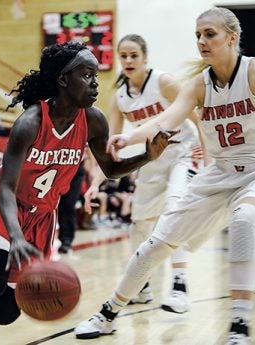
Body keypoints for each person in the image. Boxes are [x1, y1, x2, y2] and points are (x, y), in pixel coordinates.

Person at [0, 41, 178, 345]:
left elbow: (110, 169)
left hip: (41, 218)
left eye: (95, 75)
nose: (95, 83)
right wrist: (14, 235)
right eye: (86, 75)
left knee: (6, 312)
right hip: (4, 207)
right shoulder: (30, 122)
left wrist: (147, 156)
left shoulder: (93, 120)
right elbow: (8, 188)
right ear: (64, 79)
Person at [74, 7, 255, 344]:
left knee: (244, 220)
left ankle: (239, 326)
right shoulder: (198, 85)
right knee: (155, 243)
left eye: (209, 34)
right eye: (198, 35)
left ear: (232, 37)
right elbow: (166, 119)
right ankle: (109, 312)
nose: (201, 41)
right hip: (220, 175)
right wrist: (129, 137)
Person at [83, 34, 204, 310]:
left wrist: (210, 158)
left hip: (182, 154)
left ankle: (179, 287)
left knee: (175, 214)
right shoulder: (120, 98)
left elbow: (199, 118)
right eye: (123, 55)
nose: (128, 60)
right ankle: (143, 286)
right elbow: (109, 148)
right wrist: (95, 184)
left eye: (133, 55)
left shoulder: (164, 82)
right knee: (139, 224)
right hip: (151, 161)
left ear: (145, 57)